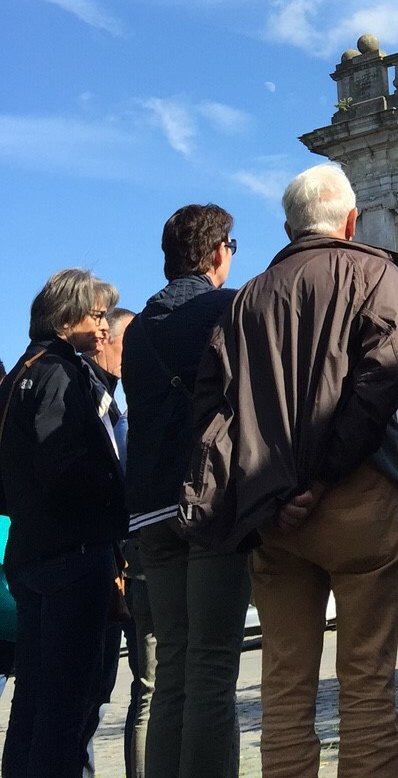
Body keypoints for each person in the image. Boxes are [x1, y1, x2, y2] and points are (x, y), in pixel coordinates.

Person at [183, 164, 398, 778]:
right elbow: (380, 384)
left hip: (272, 512)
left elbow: (215, 417)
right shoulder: (376, 272)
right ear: (350, 220)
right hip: (357, 493)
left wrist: (273, 491)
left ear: (288, 229)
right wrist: (321, 478)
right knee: (367, 683)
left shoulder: (244, 301)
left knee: (285, 692)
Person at [124, 204, 246, 778]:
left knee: (172, 665)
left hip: (149, 510)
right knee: (214, 666)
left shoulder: (138, 328)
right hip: (210, 501)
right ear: (219, 250)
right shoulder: (227, 310)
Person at [0, 270, 127, 778]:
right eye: (97, 316)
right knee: (65, 706)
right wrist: (113, 502)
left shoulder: (19, 373)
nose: (103, 328)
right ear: (66, 316)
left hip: (33, 551)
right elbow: (62, 462)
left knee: (33, 700)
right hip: (69, 553)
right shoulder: (57, 371)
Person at [84, 306, 148, 778]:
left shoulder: (118, 405)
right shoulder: (92, 402)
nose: (133, 355)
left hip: (124, 566)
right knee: (94, 698)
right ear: (103, 341)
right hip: (105, 568)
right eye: (127, 343)